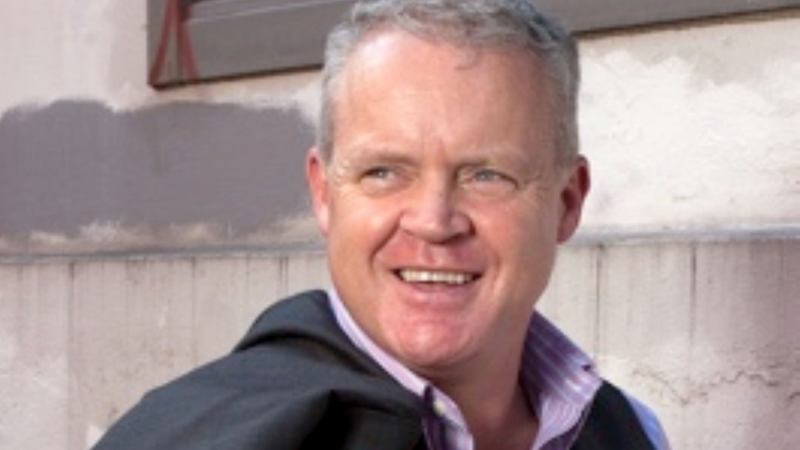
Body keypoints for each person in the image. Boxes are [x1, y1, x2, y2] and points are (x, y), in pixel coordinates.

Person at [93, 1, 670, 449]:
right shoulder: (199, 440)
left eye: (486, 175)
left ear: (567, 202)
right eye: (384, 172)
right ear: (324, 194)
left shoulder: (631, 433)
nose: (434, 222)